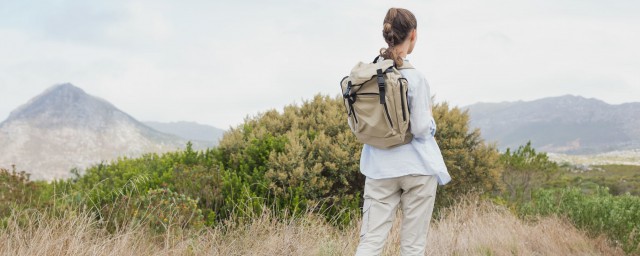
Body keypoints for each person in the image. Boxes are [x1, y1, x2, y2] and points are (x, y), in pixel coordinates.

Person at [355, 7, 451, 256]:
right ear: (413, 35)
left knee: (370, 242)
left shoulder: (366, 77)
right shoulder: (416, 79)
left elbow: (358, 123)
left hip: (378, 167)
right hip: (418, 169)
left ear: (387, 35)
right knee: (412, 247)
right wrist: (431, 121)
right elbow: (420, 129)